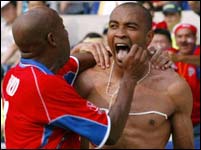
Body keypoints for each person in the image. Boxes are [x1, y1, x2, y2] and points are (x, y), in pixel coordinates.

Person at [1, 6, 152, 149]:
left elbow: (74, 63)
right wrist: (130, 77)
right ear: (52, 39)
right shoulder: (44, 85)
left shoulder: (15, 73)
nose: (67, 34)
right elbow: (110, 133)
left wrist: (113, 51)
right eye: (63, 28)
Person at [73, 3, 194, 149]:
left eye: (131, 27)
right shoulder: (87, 79)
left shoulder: (173, 87)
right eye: (113, 26)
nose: (120, 33)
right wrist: (76, 51)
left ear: (149, 37)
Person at [171, 23, 200, 149]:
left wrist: (178, 58)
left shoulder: (197, 53)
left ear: (195, 38)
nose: (183, 40)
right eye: (179, 36)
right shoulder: (171, 54)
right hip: (177, 122)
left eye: (188, 36)